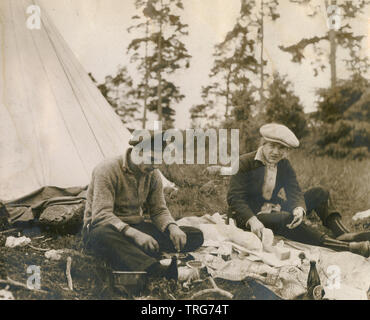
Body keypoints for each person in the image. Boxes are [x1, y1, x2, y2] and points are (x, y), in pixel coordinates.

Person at [227, 123, 370, 257]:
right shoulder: (244, 162)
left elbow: (294, 190)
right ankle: (343, 246)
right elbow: (234, 198)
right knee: (285, 218)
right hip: (252, 216)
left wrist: (299, 208)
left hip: (274, 208)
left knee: (320, 193)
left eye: (281, 148)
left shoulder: (283, 164)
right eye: (272, 146)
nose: (276, 152)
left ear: (286, 150)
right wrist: (252, 220)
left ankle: (342, 233)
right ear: (262, 144)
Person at [82, 132, 204, 278]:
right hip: (106, 229)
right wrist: (135, 235)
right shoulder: (107, 170)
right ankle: (155, 270)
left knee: (194, 235)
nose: (155, 166)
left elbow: (158, 210)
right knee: (101, 235)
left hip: (136, 229)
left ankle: (133, 253)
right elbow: (101, 215)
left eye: (159, 161)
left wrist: (173, 227)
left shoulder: (153, 174)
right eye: (152, 159)